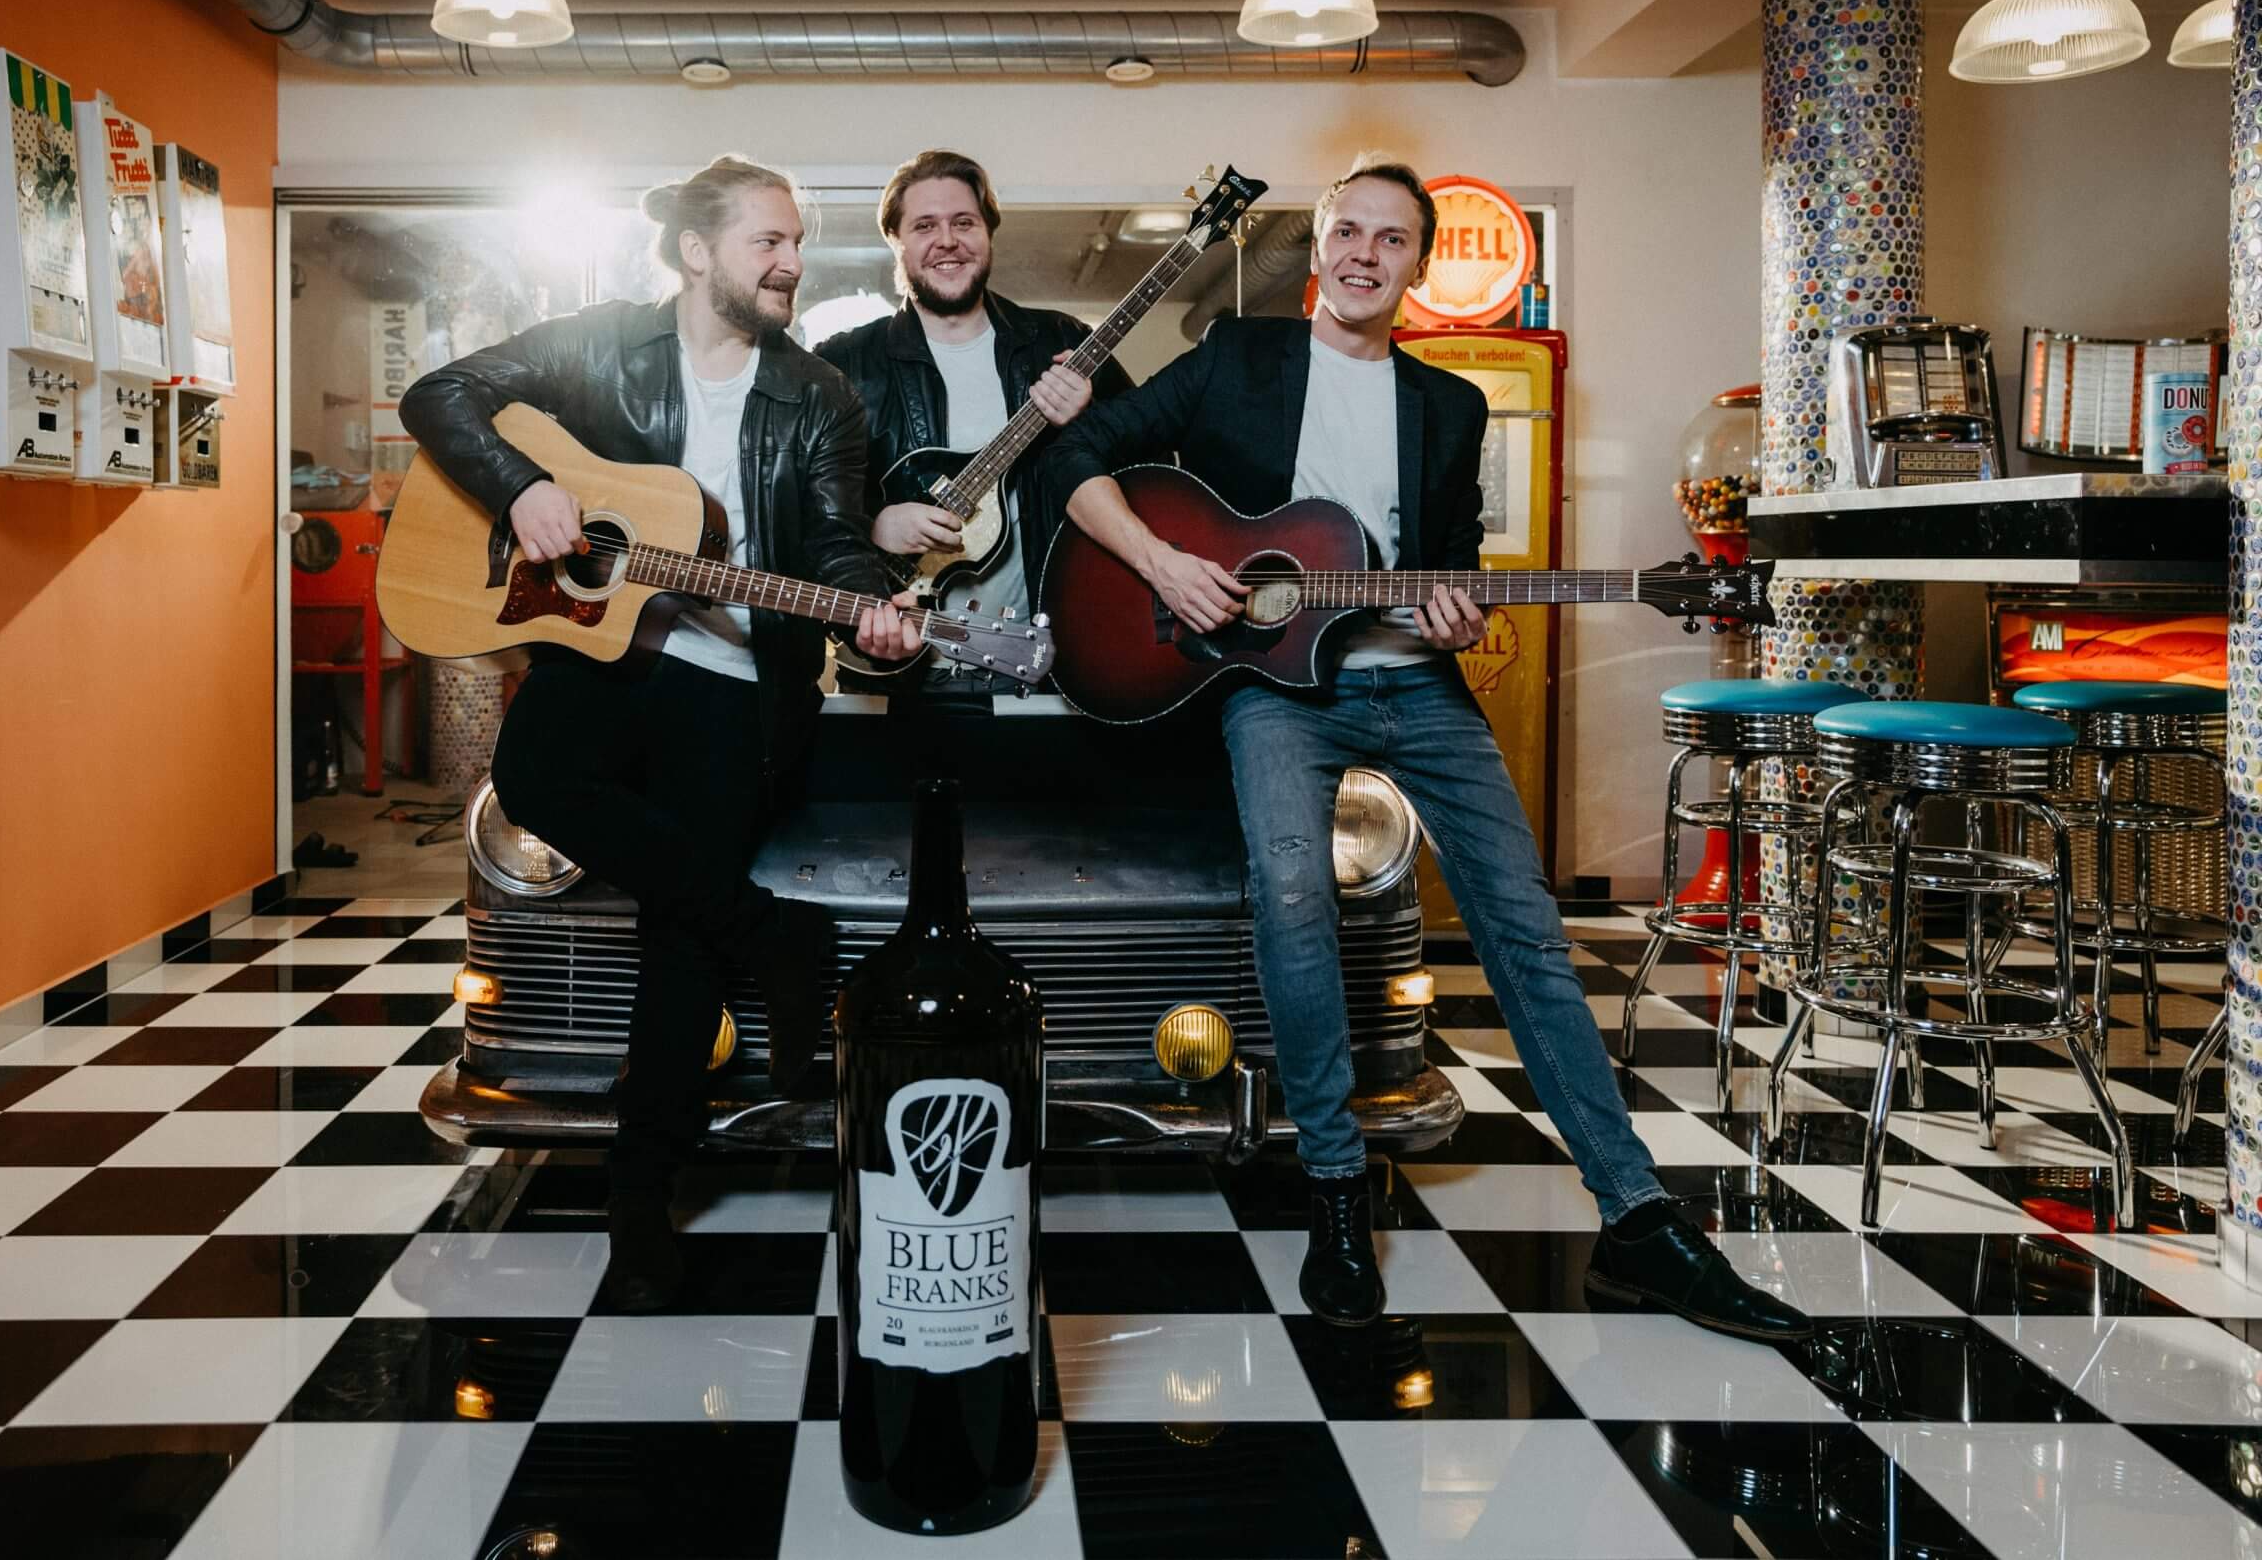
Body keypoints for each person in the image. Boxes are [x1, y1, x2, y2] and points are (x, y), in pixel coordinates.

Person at [1037, 155, 1813, 1341]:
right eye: (1347, 231)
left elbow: (1450, 565)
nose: (1363, 254)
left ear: (1418, 266)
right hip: (1273, 692)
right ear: (1320, 246)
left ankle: (1637, 1218)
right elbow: (1071, 459)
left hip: (1417, 688)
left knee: (1526, 931)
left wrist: (1458, 610)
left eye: (1390, 239)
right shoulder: (1239, 357)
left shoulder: (1450, 407)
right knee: (1293, 898)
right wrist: (1167, 564)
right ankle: (1335, 1188)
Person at [400, 155, 919, 1312]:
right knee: (534, 775)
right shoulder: (603, 347)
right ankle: (776, 934)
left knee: (680, 939)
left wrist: (874, 609)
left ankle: (639, 1203)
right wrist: (519, 487)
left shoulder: (820, 396)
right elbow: (439, 393)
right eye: (767, 242)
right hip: (604, 654)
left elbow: (837, 542)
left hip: (735, 684)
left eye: (795, 243)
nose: (789, 263)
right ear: (695, 251)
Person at [816, 151, 1134, 735]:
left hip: (1051, 672)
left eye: (964, 222)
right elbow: (798, 513)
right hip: (900, 670)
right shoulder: (843, 364)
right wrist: (874, 523)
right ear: (896, 241)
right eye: (925, 225)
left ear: (988, 232)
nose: (948, 241)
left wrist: (1091, 421)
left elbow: (1148, 477)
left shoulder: (1060, 342)